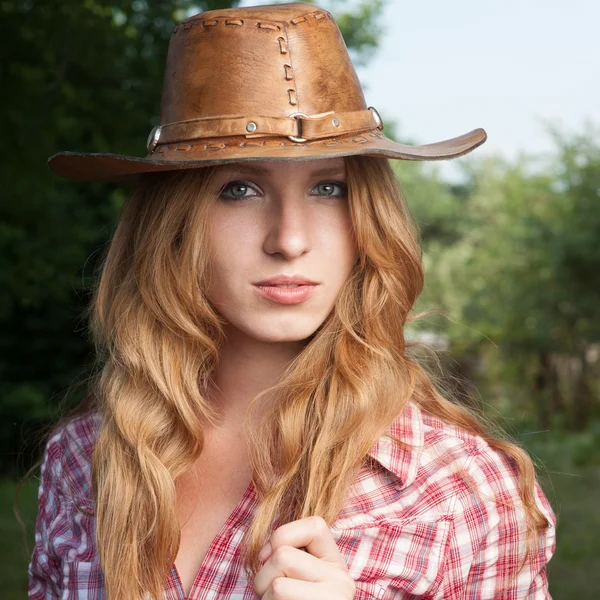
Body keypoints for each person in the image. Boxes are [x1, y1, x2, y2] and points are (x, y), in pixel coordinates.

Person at [27, 2, 556, 599]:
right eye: (239, 189)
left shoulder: (461, 488)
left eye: (329, 188)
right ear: (172, 226)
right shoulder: (83, 463)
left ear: (369, 221)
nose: (291, 239)